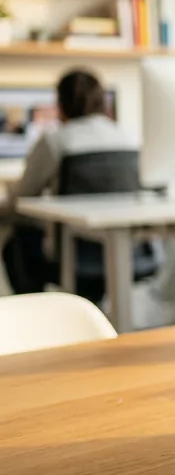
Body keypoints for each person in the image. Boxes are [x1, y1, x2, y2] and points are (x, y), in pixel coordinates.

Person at [3, 69, 138, 302]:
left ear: (61, 103)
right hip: (126, 253)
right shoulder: (128, 137)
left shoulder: (55, 140)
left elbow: (21, 201)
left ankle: (35, 322)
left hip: (70, 255)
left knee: (16, 240)